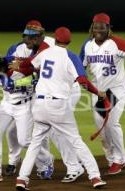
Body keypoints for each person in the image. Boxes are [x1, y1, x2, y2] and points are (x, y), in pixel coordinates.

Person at [15, 27, 107, 191]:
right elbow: (83, 81)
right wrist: (97, 92)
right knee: (76, 141)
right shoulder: (70, 56)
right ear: (69, 41)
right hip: (58, 106)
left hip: (39, 106)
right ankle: (95, 177)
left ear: (54, 39)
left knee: (35, 143)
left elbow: (26, 66)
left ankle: (22, 180)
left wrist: (18, 66)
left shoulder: (44, 53)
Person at [8, 20, 85, 183]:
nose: (27, 40)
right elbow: (34, 72)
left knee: (57, 130)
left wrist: (20, 68)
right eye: (25, 37)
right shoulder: (36, 46)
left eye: (31, 37)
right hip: (53, 90)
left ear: (39, 37)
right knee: (51, 128)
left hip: (69, 89)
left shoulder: (47, 46)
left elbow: (71, 59)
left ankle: (74, 166)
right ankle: (74, 161)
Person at [80, 13, 125, 175]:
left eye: (102, 26)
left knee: (111, 122)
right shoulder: (87, 45)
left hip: (117, 89)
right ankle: (110, 157)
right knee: (101, 129)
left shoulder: (117, 43)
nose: (98, 29)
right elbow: (80, 67)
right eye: (96, 26)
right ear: (92, 28)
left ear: (108, 28)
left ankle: (119, 159)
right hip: (98, 91)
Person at [0, 55, 54, 183]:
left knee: (24, 141)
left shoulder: (18, 67)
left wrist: (17, 83)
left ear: (2, 68)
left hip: (25, 105)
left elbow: (37, 76)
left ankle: (46, 159)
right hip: (6, 104)